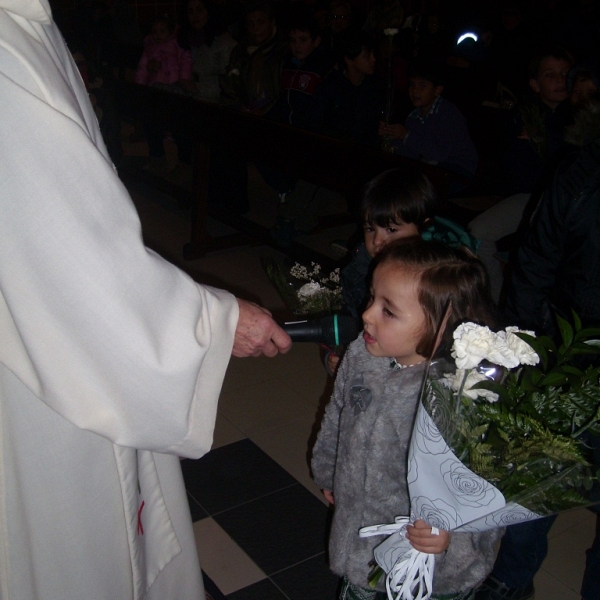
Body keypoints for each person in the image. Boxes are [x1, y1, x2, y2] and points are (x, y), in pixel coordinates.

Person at [0, 2, 291, 599]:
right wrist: (212, 323)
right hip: (39, 362)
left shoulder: (25, 22)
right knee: (74, 546)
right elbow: (67, 251)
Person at [311, 238, 501, 600]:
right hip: (361, 539)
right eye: (372, 298)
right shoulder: (362, 357)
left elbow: (484, 483)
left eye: (388, 310)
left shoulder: (460, 394)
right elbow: (336, 417)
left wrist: (453, 532)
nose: (367, 314)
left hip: (430, 565)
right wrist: (330, 470)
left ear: (441, 326)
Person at [474, 98, 600, 600]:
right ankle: (510, 576)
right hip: (569, 350)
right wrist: (520, 350)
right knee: (540, 470)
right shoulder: (582, 171)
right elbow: (534, 264)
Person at [325, 167, 479, 375]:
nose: (378, 241)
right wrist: (341, 352)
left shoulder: (435, 278)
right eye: (370, 229)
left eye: (391, 230)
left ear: (423, 227)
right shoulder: (363, 263)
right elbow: (353, 316)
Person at [378, 61, 479, 180]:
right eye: (412, 85)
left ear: (437, 90)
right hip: (432, 167)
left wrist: (405, 135)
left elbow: (440, 154)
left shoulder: (448, 113)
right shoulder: (413, 117)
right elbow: (411, 153)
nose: (415, 91)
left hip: (457, 169)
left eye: (422, 86)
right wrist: (391, 138)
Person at [177, 0, 237, 103]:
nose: (195, 15)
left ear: (208, 12)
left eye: (199, 10)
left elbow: (231, 84)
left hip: (212, 102)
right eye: (190, 12)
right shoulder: (182, 39)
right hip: (183, 95)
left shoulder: (224, 42)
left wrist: (198, 89)